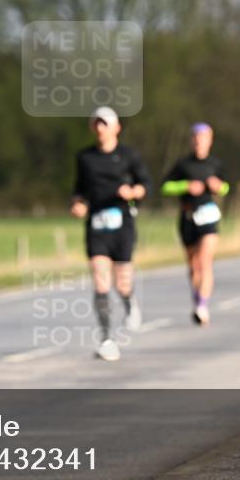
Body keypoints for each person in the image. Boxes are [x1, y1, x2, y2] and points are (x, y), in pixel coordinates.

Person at [71, 106, 150, 361]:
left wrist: (133, 192)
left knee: (122, 282)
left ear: (117, 128)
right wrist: (78, 204)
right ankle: (106, 338)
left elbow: (145, 184)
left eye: (105, 123)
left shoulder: (129, 156)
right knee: (100, 280)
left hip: (122, 223)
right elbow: (79, 188)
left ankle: (129, 301)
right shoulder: (85, 158)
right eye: (96, 123)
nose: (100, 128)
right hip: (96, 225)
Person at [161, 122, 229, 325]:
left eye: (203, 138)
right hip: (188, 217)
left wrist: (218, 186)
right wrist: (185, 186)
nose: (199, 142)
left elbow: (226, 187)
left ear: (210, 140)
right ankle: (198, 299)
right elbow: (165, 187)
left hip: (208, 216)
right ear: (191, 140)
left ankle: (202, 305)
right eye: (196, 138)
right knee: (193, 265)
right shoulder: (183, 164)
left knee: (204, 261)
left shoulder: (216, 164)